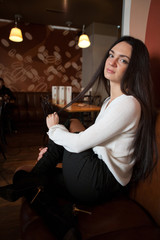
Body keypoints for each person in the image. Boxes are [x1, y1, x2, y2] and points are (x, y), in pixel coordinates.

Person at [0, 36, 158, 239]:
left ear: (135, 68)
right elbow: (90, 142)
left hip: (101, 180)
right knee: (22, 175)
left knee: (66, 126)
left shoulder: (129, 103)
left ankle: (40, 170)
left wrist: (54, 130)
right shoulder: (112, 101)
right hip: (93, 176)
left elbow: (79, 144)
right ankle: (61, 223)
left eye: (123, 59)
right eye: (111, 55)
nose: (112, 61)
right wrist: (60, 145)